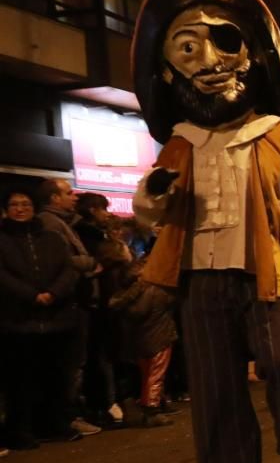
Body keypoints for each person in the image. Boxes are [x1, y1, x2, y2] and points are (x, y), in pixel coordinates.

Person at [131, 0, 280, 463]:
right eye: (187, 46)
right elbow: (150, 214)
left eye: (225, 40)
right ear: (167, 69)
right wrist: (157, 192)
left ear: (253, 56)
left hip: (265, 270)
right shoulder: (178, 144)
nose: (209, 61)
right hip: (199, 276)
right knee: (214, 378)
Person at [0, 186, 81, 448]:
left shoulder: (51, 237)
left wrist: (53, 293)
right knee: (21, 380)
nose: (20, 209)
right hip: (19, 321)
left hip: (56, 318)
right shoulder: (3, 239)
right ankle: (21, 430)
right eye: (15, 204)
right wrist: (31, 295)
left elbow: (68, 269)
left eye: (25, 204)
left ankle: (55, 424)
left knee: (56, 375)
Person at [34, 179, 103, 437]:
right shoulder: (51, 223)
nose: (74, 197)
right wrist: (89, 262)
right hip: (69, 303)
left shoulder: (66, 222)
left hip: (78, 301)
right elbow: (62, 259)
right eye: (68, 192)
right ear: (54, 198)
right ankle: (68, 416)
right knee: (71, 365)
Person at [108, 257, 177, 428]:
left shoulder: (129, 296)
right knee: (156, 375)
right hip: (160, 338)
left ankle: (155, 403)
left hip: (141, 340)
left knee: (147, 375)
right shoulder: (156, 291)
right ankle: (152, 409)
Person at [75, 192, 125, 426]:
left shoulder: (93, 234)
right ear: (93, 210)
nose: (106, 213)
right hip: (98, 301)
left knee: (103, 355)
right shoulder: (88, 235)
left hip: (103, 300)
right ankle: (105, 405)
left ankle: (109, 403)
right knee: (98, 356)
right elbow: (111, 259)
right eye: (102, 209)